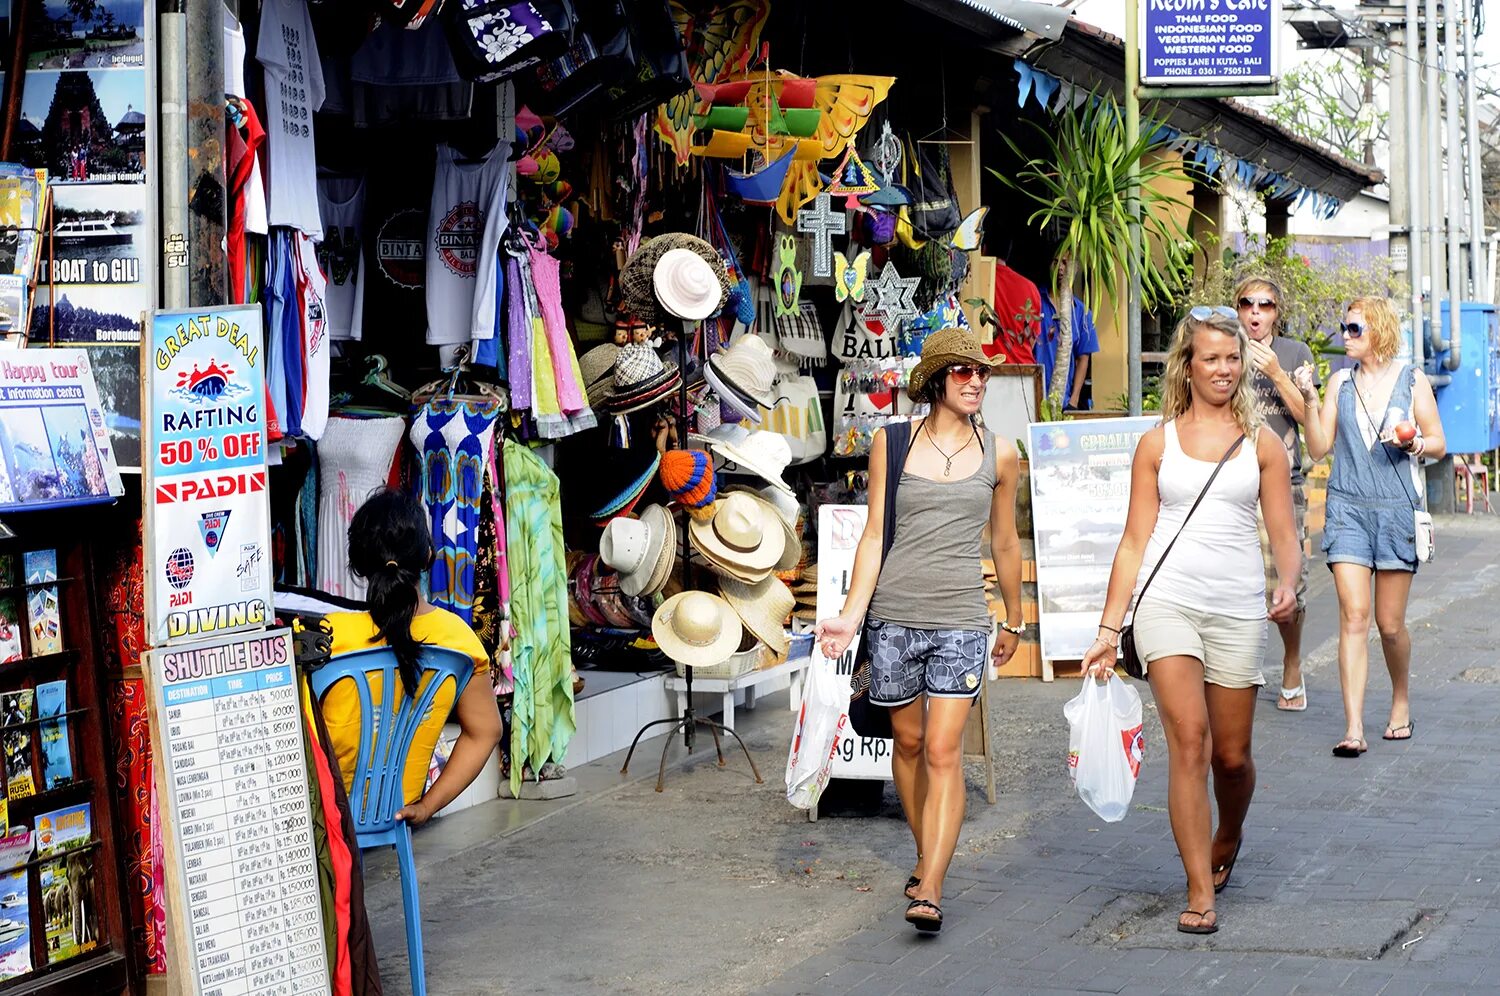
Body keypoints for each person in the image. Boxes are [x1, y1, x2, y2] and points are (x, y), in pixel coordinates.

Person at [1082, 307, 1301, 936]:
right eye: (1212, 358)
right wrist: (1107, 628)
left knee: (1231, 758)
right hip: (1166, 601)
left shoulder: (1262, 446)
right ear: (1189, 365)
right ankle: (1199, 889)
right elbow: (1132, 541)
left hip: (1236, 607)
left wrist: (1286, 584)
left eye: (1233, 358)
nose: (1224, 369)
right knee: (1191, 742)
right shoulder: (1157, 444)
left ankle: (1228, 829)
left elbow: (1284, 536)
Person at [816, 327, 1024, 934]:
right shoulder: (894, 441)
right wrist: (852, 615)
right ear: (936, 380)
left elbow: (1006, 541)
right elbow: (876, 533)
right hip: (894, 617)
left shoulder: (1001, 452)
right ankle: (925, 848)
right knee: (905, 746)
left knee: (942, 749)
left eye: (981, 373)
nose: (975, 381)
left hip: (961, 616)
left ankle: (931, 884)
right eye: (962, 372)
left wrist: (1011, 618)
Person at [1295, 297, 1445, 757]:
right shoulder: (1340, 381)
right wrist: (1307, 397)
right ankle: (1354, 728)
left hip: (1397, 509)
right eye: (1345, 328)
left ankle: (1401, 699)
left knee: (1390, 623)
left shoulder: (1411, 380)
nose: (1345, 336)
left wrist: (1415, 442)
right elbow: (1319, 447)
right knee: (1355, 616)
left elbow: (1439, 442)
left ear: (1377, 330)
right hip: (1348, 509)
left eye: (1354, 329)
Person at [320, 488, 504, 827]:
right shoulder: (458, 638)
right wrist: (426, 806)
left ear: (358, 563)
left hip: (327, 814)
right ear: (428, 556)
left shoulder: (328, 636)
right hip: (398, 807)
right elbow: (486, 733)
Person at [1235, 276, 1317, 712]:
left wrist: (1275, 374)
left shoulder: (1294, 354)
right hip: (1231, 483)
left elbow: (1309, 418)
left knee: (1287, 585)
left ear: (1276, 312)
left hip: (1283, 486)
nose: (1255, 311)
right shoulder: (1224, 350)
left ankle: (1291, 661)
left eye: (1264, 305)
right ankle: (1236, 668)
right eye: (1246, 303)